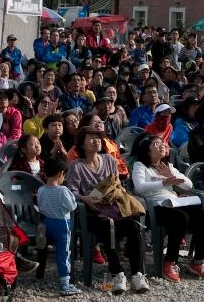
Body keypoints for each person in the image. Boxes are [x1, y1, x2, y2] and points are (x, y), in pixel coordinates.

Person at [68, 124, 147, 295]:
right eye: (91, 138)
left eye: (98, 137)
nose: (96, 141)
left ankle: (137, 274)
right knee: (107, 225)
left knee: (133, 226)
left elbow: (116, 183)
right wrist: (85, 199)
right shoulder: (76, 165)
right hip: (91, 211)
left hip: (114, 207)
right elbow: (72, 191)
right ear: (82, 144)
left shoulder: (110, 160)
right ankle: (117, 273)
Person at [129, 133, 204, 282]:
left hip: (174, 203)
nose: (161, 146)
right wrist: (164, 182)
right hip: (155, 207)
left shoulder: (168, 166)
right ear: (147, 150)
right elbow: (139, 187)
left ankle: (198, 262)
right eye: (156, 144)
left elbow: (189, 185)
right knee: (181, 218)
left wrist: (171, 176)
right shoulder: (140, 166)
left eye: (162, 143)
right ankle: (170, 262)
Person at [35, 156, 81, 295]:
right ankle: (65, 284)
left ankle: (39, 273)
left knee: (47, 249)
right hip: (62, 224)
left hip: (46, 222)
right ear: (61, 174)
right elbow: (72, 206)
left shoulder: (41, 189)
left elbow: (41, 206)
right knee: (63, 253)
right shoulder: (63, 190)